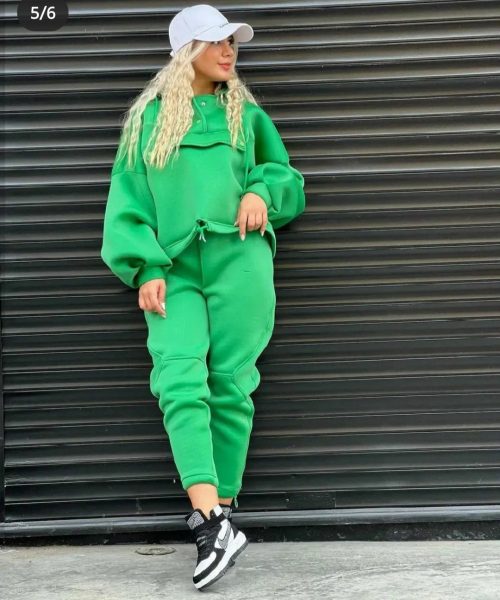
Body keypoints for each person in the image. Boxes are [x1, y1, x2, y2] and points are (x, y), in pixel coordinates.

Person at [100, 3, 306, 591]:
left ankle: (218, 517)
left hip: (239, 258)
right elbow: (127, 199)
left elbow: (287, 176)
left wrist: (261, 191)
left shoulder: (246, 116)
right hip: (173, 268)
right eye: (216, 41)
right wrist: (144, 267)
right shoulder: (148, 121)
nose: (228, 50)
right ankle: (212, 521)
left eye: (231, 42)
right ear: (185, 51)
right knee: (178, 377)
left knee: (232, 384)